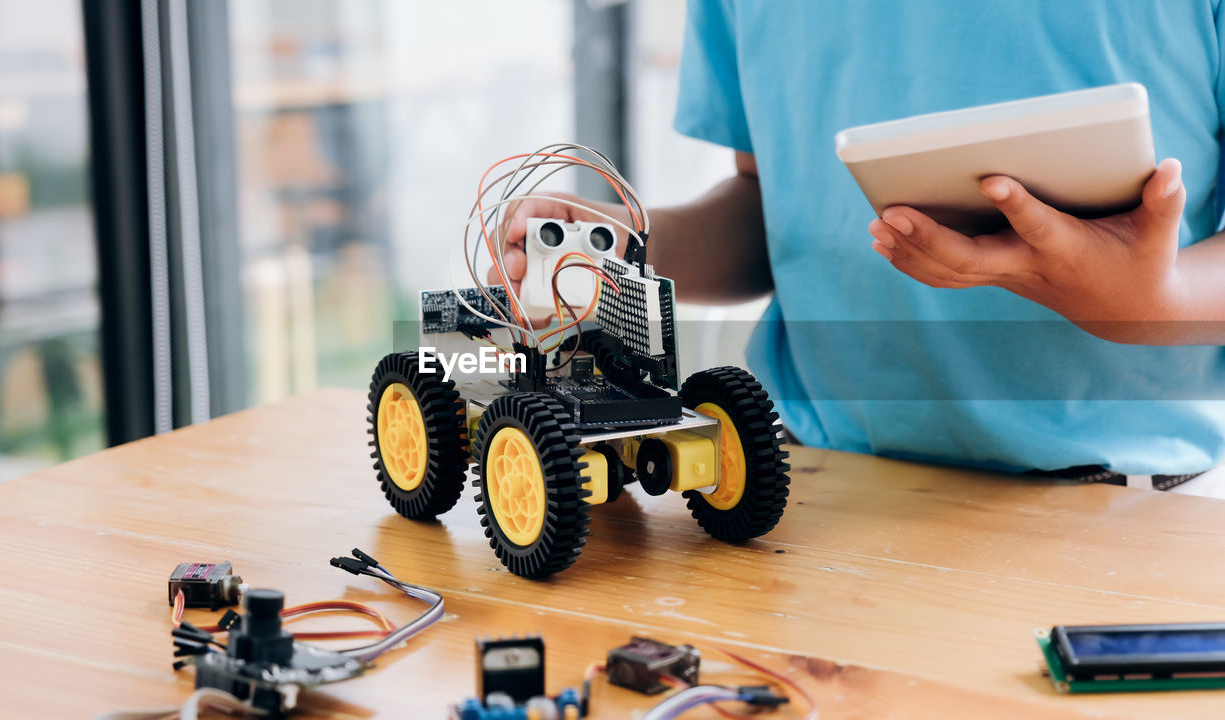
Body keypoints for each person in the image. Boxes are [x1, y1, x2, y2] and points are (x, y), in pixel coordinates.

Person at [491, 2, 1225, 491]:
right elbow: (769, 209)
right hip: (817, 486)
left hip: (1129, 507)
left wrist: (1156, 302)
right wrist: (624, 250)